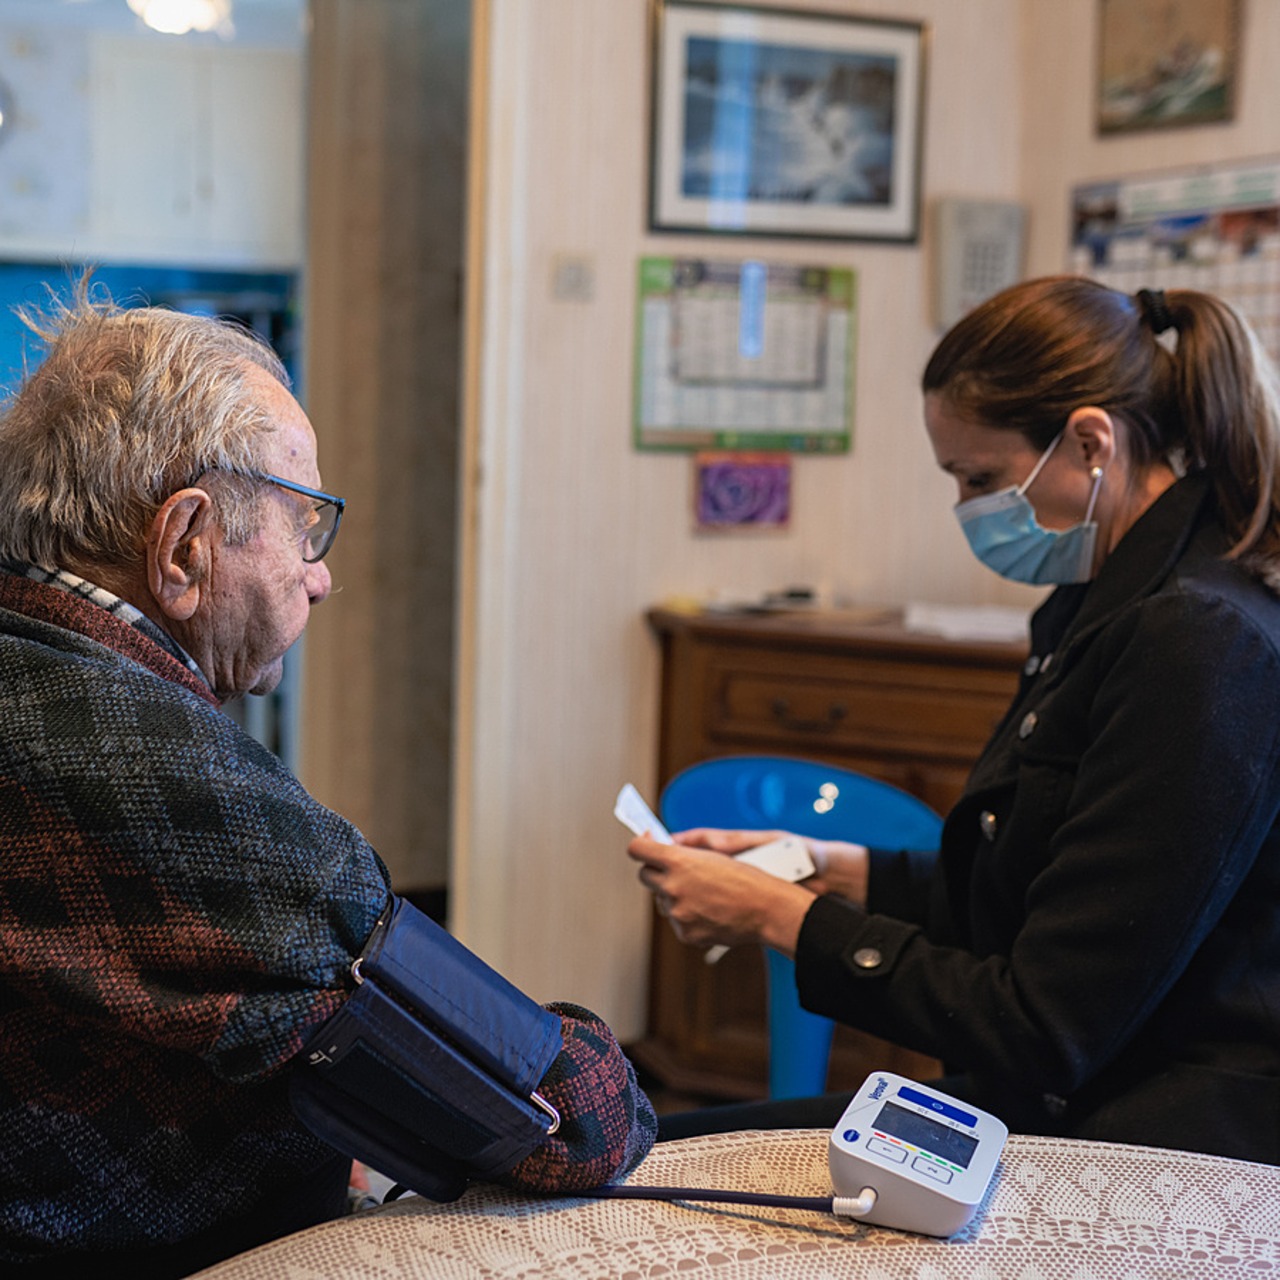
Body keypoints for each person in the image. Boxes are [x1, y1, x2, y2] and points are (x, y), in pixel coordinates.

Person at [0, 284, 655, 1275]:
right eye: (304, 527)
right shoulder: (180, 789)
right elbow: (574, 1117)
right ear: (184, 544)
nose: (321, 575)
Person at [630, 276, 1280, 1165]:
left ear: (1090, 441)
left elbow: (1043, 1025)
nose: (968, 508)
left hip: (1157, 1132)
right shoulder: (1099, 605)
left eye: (980, 478)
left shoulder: (1199, 644)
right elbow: (1040, 882)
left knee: (656, 1162)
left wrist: (780, 917)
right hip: (1066, 1088)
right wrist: (832, 868)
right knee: (649, 1144)